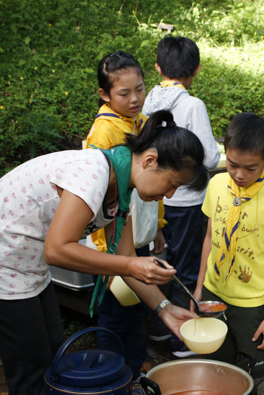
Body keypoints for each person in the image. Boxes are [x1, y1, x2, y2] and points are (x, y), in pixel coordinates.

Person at [0, 110, 207, 395]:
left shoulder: (124, 187)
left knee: (54, 356)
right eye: (172, 184)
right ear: (150, 160)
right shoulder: (92, 174)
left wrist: (165, 310)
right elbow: (58, 250)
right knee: (31, 369)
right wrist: (130, 266)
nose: (169, 196)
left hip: (27, 259)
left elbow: (125, 257)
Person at [85, 51, 166, 389]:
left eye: (140, 89)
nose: (134, 99)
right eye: (124, 93)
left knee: (136, 315)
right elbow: (93, 197)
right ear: (104, 95)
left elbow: (159, 178)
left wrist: (158, 225)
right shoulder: (104, 133)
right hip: (114, 248)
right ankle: (111, 379)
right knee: (115, 319)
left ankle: (132, 376)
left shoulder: (143, 123)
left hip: (141, 236)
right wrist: (112, 256)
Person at [194, 113, 264, 378]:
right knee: (217, 361)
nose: (240, 174)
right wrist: (199, 289)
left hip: (251, 304)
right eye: (233, 164)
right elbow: (210, 238)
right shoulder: (216, 184)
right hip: (213, 292)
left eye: (251, 168)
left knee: (253, 366)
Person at [142, 36, 220, 357]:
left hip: (154, 201)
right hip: (187, 203)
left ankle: (159, 327)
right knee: (185, 268)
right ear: (197, 69)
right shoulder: (192, 105)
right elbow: (210, 158)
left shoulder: (145, 101)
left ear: (158, 67)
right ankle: (183, 338)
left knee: (159, 262)